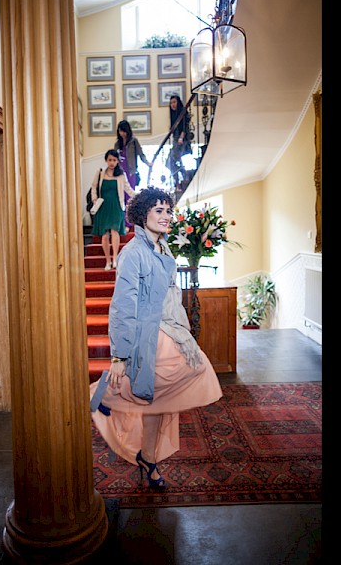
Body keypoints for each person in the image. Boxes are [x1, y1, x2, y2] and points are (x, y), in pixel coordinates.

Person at [89, 186, 223, 489]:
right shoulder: (133, 253)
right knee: (191, 369)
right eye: (158, 210)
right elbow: (122, 307)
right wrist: (119, 356)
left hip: (168, 327)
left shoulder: (162, 246)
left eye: (168, 211)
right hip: (146, 334)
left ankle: (148, 457)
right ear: (142, 214)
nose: (166, 216)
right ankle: (104, 394)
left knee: (158, 402)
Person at [91, 149, 136, 271]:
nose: (112, 162)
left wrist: (139, 197)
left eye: (114, 160)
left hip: (116, 206)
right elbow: (94, 187)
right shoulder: (100, 173)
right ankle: (108, 260)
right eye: (110, 160)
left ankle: (115, 258)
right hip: (103, 206)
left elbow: (128, 189)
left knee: (115, 231)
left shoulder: (121, 175)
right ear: (106, 160)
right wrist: (94, 199)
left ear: (117, 161)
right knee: (105, 234)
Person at [115, 119, 151, 190]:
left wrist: (147, 163)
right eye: (120, 131)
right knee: (121, 191)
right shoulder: (117, 144)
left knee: (131, 191)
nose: (122, 133)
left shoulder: (133, 141)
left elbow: (141, 154)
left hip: (131, 171)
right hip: (121, 171)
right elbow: (115, 158)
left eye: (124, 131)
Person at [165, 94, 192, 188]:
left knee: (173, 160)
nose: (173, 104)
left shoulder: (182, 113)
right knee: (170, 162)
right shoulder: (174, 115)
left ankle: (182, 180)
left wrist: (181, 137)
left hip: (181, 140)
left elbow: (185, 127)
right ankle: (180, 179)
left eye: (174, 102)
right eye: (171, 103)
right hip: (176, 140)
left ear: (178, 102)